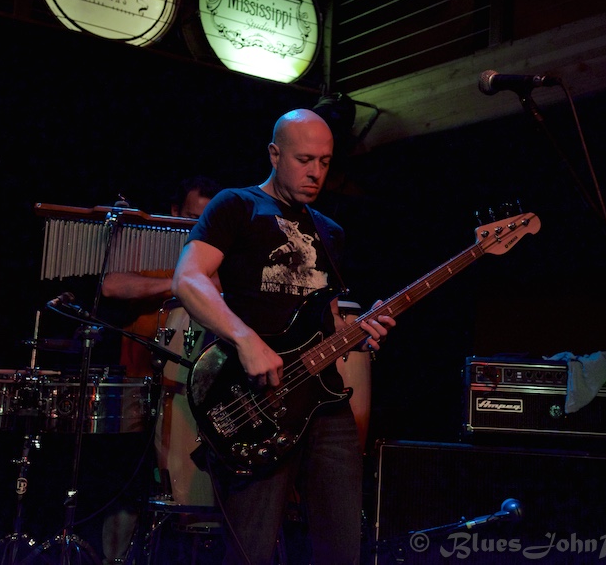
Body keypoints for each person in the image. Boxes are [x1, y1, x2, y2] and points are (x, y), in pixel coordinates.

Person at [171, 108, 395, 564]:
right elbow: (188, 278)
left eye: (325, 162)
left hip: (326, 402)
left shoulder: (330, 232)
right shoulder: (236, 205)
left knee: (341, 549)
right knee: (250, 550)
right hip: (256, 399)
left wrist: (360, 333)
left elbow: (326, 319)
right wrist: (247, 340)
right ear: (275, 154)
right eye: (304, 159)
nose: (316, 173)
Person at [98, 175, 222, 563]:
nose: (195, 225)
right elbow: (113, 285)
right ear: (173, 212)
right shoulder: (149, 242)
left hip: (189, 390)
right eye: (189, 216)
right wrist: (180, 283)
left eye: (204, 218)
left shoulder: (214, 247)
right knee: (125, 487)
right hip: (136, 382)